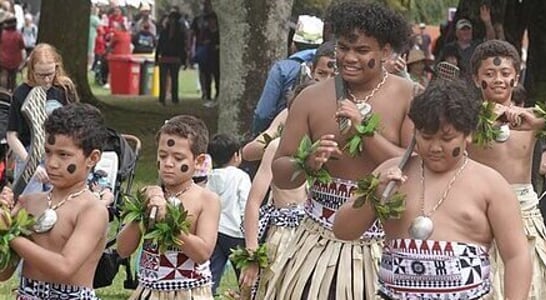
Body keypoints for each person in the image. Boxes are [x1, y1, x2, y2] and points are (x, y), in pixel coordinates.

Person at [266, 1, 414, 299]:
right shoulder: (310, 98)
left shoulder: (408, 96)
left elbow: (412, 166)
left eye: (361, 51)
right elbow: (281, 174)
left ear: (385, 52)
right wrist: (306, 162)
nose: (349, 58)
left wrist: (364, 130)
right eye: (343, 48)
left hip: (382, 244)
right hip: (316, 244)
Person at [333, 79, 532, 299]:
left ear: (468, 135)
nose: (435, 147)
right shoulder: (390, 173)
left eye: (447, 139)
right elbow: (343, 231)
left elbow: (516, 255)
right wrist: (373, 197)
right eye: (426, 137)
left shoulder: (490, 184)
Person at [0, 103, 110, 299]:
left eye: (63, 155)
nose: (51, 163)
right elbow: (4, 273)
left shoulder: (92, 210)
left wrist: (12, 236)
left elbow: (64, 267)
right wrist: (4, 221)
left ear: (92, 158)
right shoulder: (30, 202)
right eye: (48, 151)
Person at [466, 39, 546, 299]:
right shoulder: (466, 118)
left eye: (505, 73)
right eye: (489, 74)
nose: (498, 79)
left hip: (524, 214)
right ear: (476, 79)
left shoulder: (532, 116)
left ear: (516, 77)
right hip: (478, 213)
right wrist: (487, 116)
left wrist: (535, 123)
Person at [117, 115, 220, 299]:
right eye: (163, 156)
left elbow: (202, 253)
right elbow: (123, 249)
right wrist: (141, 212)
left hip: (188, 292)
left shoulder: (206, 199)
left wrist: (168, 220)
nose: (168, 163)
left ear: (198, 161)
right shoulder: (148, 195)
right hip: (148, 291)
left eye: (178, 158)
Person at [239, 80, 314, 299]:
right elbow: (253, 202)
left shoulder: (330, 147)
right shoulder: (277, 147)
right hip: (284, 237)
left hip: (317, 237)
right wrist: (253, 255)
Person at [243, 41, 336, 162]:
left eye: (334, 75)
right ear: (312, 71)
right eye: (322, 73)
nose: (326, 81)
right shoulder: (293, 111)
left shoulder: (353, 113)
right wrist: (284, 144)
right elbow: (248, 152)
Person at [6, 43, 79, 195]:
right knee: (30, 208)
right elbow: (11, 136)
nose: (46, 80)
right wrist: (30, 164)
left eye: (50, 74)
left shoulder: (63, 89)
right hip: (28, 152)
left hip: (59, 151)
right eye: (41, 75)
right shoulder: (21, 93)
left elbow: (75, 124)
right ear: (32, 71)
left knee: (57, 205)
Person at [251, 15, 324, 136]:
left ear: (293, 44)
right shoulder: (334, 66)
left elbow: (263, 113)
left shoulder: (282, 69)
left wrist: (257, 135)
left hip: (283, 134)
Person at [206, 133, 251, 295]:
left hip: (215, 232)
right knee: (244, 275)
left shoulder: (210, 177)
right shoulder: (241, 177)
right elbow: (246, 205)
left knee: (212, 273)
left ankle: (205, 295)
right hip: (236, 233)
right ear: (236, 155)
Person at [439, 5, 495, 80]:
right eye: (463, 29)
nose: (466, 32)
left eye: (468, 29)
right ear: (457, 33)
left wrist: (487, 22)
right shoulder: (450, 48)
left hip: (475, 85)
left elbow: (491, 41)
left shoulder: (477, 46)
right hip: (456, 86)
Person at [156, 10, 188, 106]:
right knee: (163, 79)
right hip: (165, 57)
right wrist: (157, 56)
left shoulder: (180, 33)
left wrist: (183, 59)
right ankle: (162, 99)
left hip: (175, 58)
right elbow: (160, 45)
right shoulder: (164, 32)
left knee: (174, 79)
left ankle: (175, 99)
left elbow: (182, 47)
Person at [190, 0, 219, 103]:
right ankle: (206, 93)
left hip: (215, 56)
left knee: (216, 75)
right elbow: (193, 34)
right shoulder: (199, 21)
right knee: (205, 74)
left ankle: (216, 94)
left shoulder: (217, 31)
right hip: (205, 54)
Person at [0, 14, 24, 92]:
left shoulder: (3, 34)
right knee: (13, 76)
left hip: (3, 59)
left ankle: (3, 91)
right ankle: (12, 91)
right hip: (15, 60)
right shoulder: (18, 35)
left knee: (4, 75)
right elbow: (22, 46)